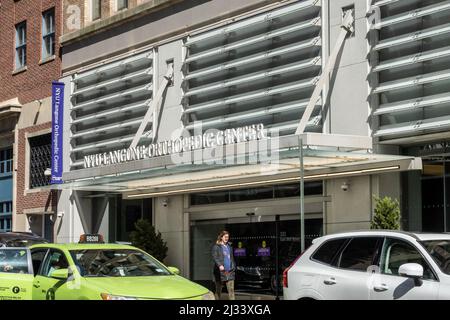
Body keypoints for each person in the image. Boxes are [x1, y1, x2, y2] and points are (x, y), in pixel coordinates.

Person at [211, 231, 236, 300]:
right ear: (221, 237)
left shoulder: (229, 246)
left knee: (231, 291)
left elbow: (231, 258)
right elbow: (215, 257)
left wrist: (233, 266)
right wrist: (220, 265)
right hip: (220, 272)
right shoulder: (216, 247)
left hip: (230, 272)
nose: (227, 238)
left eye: (227, 237)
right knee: (218, 291)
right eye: (225, 237)